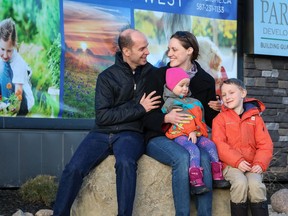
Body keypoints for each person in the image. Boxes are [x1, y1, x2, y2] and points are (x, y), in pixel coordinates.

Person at [53, 29, 160, 216]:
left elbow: (177, 80)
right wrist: (139, 109)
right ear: (126, 51)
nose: (147, 52)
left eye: (147, 47)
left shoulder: (153, 75)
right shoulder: (106, 77)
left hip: (131, 133)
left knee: (125, 163)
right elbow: (102, 117)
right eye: (142, 48)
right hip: (101, 133)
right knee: (73, 168)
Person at [143, 31, 226, 216]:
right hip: (160, 135)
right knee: (181, 157)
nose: (169, 53)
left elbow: (208, 119)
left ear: (189, 51)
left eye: (174, 49)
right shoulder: (157, 75)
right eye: (168, 49)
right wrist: (165, 118)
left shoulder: (205, 80)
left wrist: (217, 109)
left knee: (204, 158)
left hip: (191, 134)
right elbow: (145, 116)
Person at [211, 78, 273, 216]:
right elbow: (219, 144)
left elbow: (265, 144)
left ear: (243, 93)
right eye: (224, 95)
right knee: (240, 183)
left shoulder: (256, 119)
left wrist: (259, 163)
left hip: (252, 165)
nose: (227, 97)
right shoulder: (219, 119)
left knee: (256, 185)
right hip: (230, 165)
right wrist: (237, 161)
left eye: (231, 92)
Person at [162, 67, 227, 195]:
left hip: (196, 133)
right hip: (180, 134)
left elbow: (200, 119)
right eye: (181, 85)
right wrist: (191, 131)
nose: (185, 88)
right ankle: (195, 180)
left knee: (210, 145)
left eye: (187, 85)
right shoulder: (171, 103)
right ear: (171, 86)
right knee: (193, 149)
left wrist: (201, 132)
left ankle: (217, 175)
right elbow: (182, 119)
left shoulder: (194, 101)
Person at [0, 17, 34, 116]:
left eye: (9, 50)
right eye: (2, 49)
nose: (5, 55)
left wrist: (14, 106)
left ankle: (6, 107)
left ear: (14, 45)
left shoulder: (19, 64)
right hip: (6, 93)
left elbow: (18, 93)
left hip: (22, 102)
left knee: (3, 68)